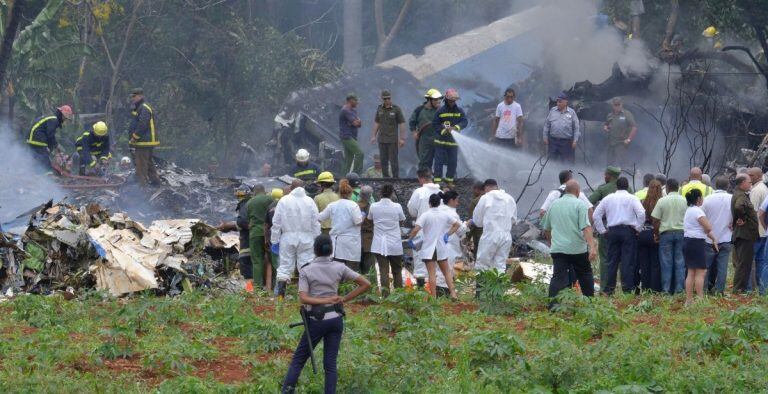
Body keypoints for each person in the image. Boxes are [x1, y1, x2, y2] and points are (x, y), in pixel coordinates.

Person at [281, 234, 371, 394]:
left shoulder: (306, 270)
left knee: (299, 360)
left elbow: (303, 298)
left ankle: (287, 391)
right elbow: (366, 283)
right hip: (336, 319)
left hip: (316, 321)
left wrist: (325, 300)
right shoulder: (340, 267)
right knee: (330, 364)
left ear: (314, 250)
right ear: (331, 250)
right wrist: (344, 299)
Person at [541, 180, 597, 304]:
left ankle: (553, 307)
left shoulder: (554, 205)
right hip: (577, 249)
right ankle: (590, 303)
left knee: (558, 277)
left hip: (559, 249)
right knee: (585, 275)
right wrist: (592, 246)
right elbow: (586, 227)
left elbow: (547, 228)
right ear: (577, 191)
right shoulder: (580, 204)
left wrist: (551, 243)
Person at [592, 177, 645, 295]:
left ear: (616, 187)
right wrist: (638, 228)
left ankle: (608, 290)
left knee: (611, 261)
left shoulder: (608, 198)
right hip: (628, 231)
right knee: (627, 261)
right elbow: (641, 213)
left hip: (612, 231)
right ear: (627, 186)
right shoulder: (633, 198)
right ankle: (627, 289)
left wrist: (602, 231)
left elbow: (596, 215)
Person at [272, 180, 321, 299]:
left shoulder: (284, 200)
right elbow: (315, 222)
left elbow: (276, 222)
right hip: (307, 238)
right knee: (306, 266)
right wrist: (316, 237)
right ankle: (307, 296)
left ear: (291, 188)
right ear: (303, 187)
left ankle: (280, 297)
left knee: (284, 266)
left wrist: (275, 239)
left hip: (287, 237)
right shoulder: (310, 201)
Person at [407, 193, 460, 299]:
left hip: (429, 247)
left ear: (429, 203)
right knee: (447, 272)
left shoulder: (426, 215)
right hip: (441, 247)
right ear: (439, 203)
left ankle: (434, 297)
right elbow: (457, 224)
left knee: (432, 274)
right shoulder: (444, 214)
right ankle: (454, 294)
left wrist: (410, 239)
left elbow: (416, 229)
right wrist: (447, 234)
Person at [472, 179, 518, 275]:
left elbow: (477, 221)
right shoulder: (510, 199)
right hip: (506, 236)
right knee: (500, 265)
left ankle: (481, 289)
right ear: (497, 186)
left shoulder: (485, 198)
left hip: (490, 235)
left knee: (482, 265)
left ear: (486, 188)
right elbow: (513, 220)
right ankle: (497, 289)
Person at [588, 166, 625, 286]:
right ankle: (625, 286)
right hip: (624, 228)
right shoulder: (628, 188)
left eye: (606, 174)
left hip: (606, 228)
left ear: (610, 176)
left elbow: (589, 201)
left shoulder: (603, 189)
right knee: (623, 258)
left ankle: (606, 287)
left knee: (605, 258)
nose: (604, 176)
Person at [317, 180, 364, 272]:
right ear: (350, 194)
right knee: (351, 270)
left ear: (339, 193)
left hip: (336, 242)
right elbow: (358, 222)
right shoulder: (353, 205)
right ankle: (350, 286)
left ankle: (338, 286)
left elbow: (319, 218)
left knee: (337, 269)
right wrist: (363, 215)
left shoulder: (332, 205)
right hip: (351, 241)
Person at [683, 189, 719, 305]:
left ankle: (689, 299)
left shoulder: (689, 210)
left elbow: (704, 230)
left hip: (688, 241)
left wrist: (713, 238)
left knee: (691, 272)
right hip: (697, 243)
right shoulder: (698, 211)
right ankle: (700, 299)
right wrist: (711, 234)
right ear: (698, 199)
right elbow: (708, 227)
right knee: (701, 272)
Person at [369, 184, 406, 296]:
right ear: (392, 194)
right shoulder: (397, 206)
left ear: (380, 193)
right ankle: (399, 296)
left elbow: (370, 219)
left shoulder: (374, 206)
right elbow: (402, 220)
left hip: (379, 243)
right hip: (394, 243)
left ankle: (386, 297)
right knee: (397, 270)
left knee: (383, 270)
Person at [651, 178, 687, 294]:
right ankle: (679, 289)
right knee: (680, 262)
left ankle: (666, 290)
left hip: (665, 234)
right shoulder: (684, 200)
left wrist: (656, 234)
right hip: (681, 233)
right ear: (678, 188)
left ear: (667, 188)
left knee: (666, 263)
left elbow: (655, 220)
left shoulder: (662, 201)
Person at [407, 168, 441, 287]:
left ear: (421, 178)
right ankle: (436, 290)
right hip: (438, 232)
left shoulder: (419, 192)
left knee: (420, 259)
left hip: (421, 231)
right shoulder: (440, 192)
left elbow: (412, 210)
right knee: (437, 260)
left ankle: (421, 289)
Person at [216, 185, 254, 292]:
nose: (239, 198)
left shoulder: (245, 204)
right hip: (255, 242)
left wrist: (227, 226)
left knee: (247, 270)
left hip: (248, 243)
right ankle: (259, 291)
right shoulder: (253, 204)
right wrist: (229, 226)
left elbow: (242, 222)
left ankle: (250, 293)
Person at [702, 176, 733, 294]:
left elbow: (700, 217)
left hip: (709, 238)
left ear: (715, 185)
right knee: (722, 267)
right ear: (728, 186)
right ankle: (720, 291)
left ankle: (704, 290)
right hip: (726, 237)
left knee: (706, 266)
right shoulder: (732, 199)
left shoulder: (707, 199)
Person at [435, 190, 468, 297]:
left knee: (439, 269)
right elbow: (460, 230)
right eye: (456, 200)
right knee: (446, 270)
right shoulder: (452, 213)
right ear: (451, 200)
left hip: (437, 244)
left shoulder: (438, 209)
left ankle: (441, 293)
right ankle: (444, 294)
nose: (457, 203)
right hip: (449, 245)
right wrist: (467, 224)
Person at [431, 88, 467, 184]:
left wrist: (455, 127)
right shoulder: (440, 111)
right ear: (446, 99)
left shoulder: (460, 111)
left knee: (453, 163)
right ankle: (437, 182)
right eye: (451, 100)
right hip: (440, 142)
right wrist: (443, 130)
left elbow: (464, 122)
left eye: (454, 101)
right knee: (438, 163)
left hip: (453, 142)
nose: (452, 102)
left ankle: (449, 182)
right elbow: (435, 124)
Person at [128, 88, 162, 186]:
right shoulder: (141, 107)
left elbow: (143, 124)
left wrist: (135, 137)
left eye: (134, 96)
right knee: (149, 164)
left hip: (143, 142)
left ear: (140, 96)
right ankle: (156, 184)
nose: (132, 98)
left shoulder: (144, 108)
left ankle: (142, 190)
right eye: (132, 96)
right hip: (145, 142)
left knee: (141, 167)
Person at [731, 174, 759, 293]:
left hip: (743, 234)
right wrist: (743, 218)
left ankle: (739, 289)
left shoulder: (738, 194)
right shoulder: (741, 196)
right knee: (744, 264)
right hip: (745, 234)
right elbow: (738, 207)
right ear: (742, 183)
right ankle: (739, 290)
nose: (750, 184)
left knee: (742, 262)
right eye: (749, 182)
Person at [370, 90, 406, 178]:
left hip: (392, 139)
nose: (387, 100)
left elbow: (402, 123)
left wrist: (402, 138)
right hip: (381, 139)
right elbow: (377, 122)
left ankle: (395, 178)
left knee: (393, 160)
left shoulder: (396, 109)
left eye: (388, 98)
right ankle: (385, 178)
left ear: (391, 98)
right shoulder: (379, 108)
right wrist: (373, 136)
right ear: (382, 99)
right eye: (385, 99)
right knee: (383, 160)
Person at [26, 105, 74, 169]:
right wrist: (56, 145)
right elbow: (50, 135)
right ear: (63, 116)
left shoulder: (52, 118)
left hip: (33, 138)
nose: (66, 122)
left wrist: (52, 148)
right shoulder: (54, 120)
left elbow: (50, 135)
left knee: (36, 157)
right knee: (44, 159)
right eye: (66, 119)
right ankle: (47, 174)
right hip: (37, 138)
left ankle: (32, 172)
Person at [246, 184, 274, 290]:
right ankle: (274, 286)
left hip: (255, 233)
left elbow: (249, 219)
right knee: (273, 260)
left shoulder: (250, 202)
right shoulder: (270, 199)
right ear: (264, 190)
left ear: (254, 191)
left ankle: (258, 287)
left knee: (257, 260)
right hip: (269, 233)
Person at [636, 180, 663, 292]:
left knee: (644, 263)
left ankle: (645, 287)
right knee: (655, 263)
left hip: (643, 234)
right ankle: (655, 288)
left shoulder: (643, 202)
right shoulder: (661, 202)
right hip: (654, 234)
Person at [410, 89, 442, 171]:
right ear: (429, 100)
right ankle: (425, 179)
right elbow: (412, 122)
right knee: (424, 161)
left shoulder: (441, 110)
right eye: (435, 99)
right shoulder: (419, 110)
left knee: (440, 161)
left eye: (439, 99)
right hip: (424, 139)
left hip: (438, 139)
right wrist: (414, 132)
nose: (438, 101)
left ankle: (437, 180)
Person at [543, 92, 580, 164]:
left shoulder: (571, 112)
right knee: (551, 162)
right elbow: (546, 125)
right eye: (557, 101)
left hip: (565, 142)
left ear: (565, 102)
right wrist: (545, 137)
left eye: (560, 101)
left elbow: (576, 128)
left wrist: (575, 141)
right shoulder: (552, 110)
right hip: (553, 141)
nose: (558, 103)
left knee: (566, 163)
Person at [748, 167, 768, 293]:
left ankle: (749, 288)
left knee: (749, 260)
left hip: (756, 231)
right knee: (761, 261)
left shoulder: (756, 191)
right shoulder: (765, 188)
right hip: (763, 233)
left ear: (756, 176)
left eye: (750, 175)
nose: (748, 177)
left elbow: (754, 212)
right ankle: (762, 289)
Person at [603, 97, 637, 167]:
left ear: (622, 105)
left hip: (621, 142)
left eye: (619, 104)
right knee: (609, 164)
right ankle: (611, 177)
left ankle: (626, 176)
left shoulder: (626, 114)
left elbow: (634, 127)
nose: (617, 106)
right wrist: (606, 127)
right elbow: (606, 124)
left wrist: (629, 139)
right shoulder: (610, 115)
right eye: (615, 105)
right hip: (611, 142)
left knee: (623, 163)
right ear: (612, 106)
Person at [265, 187, 286, 292]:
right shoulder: (284, 204)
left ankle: (277, 290)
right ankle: (281, 289)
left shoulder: (270, 206)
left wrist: (266, 239)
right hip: (285, 237)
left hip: (274, 238)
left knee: (276, 264)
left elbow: (267, 224)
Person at [339, 93, 363, 174]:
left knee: (348, 160)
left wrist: (357, 122)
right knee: (360, 153)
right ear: (350, 101)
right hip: (347, 137)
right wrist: (356, 122)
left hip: (352, 137)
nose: (357, 102)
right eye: (356, 100)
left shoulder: (353, 111)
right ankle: (356, 174)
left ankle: (343, 178)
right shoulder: (345, 110)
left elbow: (359, 124)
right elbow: (356, 123)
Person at [467, 181, 486, 258]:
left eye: (473, 189)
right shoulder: (492, 200)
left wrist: (468, 236)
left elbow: (473, 221)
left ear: (477, 189)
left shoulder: (475, 201)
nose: (472, 192)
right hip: (492, 233)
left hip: (479, 233)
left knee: (478, 255)